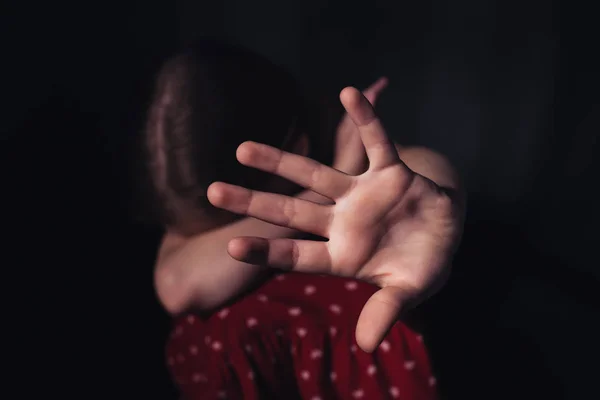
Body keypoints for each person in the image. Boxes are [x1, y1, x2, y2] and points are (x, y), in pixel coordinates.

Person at [140, 37, 464, 399]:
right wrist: (321, 194)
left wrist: (437, 202)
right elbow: (175, 284)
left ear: (297, 146)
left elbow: (425, 185)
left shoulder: (380, 182)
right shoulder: (191, 241)